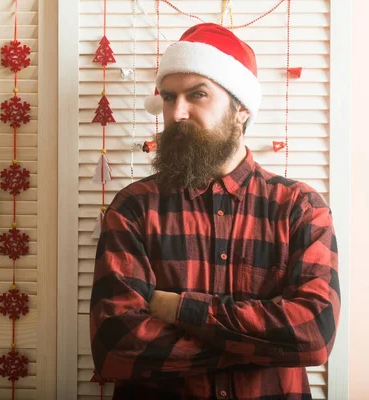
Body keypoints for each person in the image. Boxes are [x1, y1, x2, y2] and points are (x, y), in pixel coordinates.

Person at [89, 23, 340, 400]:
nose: (177, 113)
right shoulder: (134, 207)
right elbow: (116, 346)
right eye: (170, 98)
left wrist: (179, 308)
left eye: (197, 95)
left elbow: (314, 334)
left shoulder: (300, 209)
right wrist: (261, 346)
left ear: (240, 109)